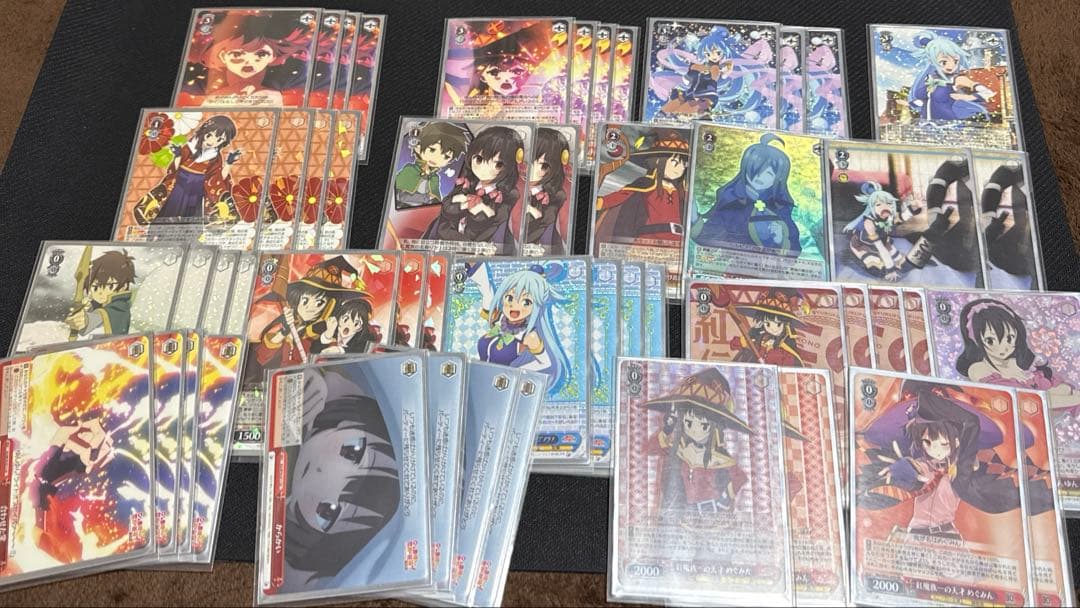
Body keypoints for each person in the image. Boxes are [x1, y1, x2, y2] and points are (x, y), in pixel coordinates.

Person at [65, 249, 136, 337]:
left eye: (110, 286)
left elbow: (102, 316)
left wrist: (86, 320)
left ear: (124, 286)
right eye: (95, 287)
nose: (100, 292)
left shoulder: (120, 306)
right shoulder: (97, 304)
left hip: (112, 344)